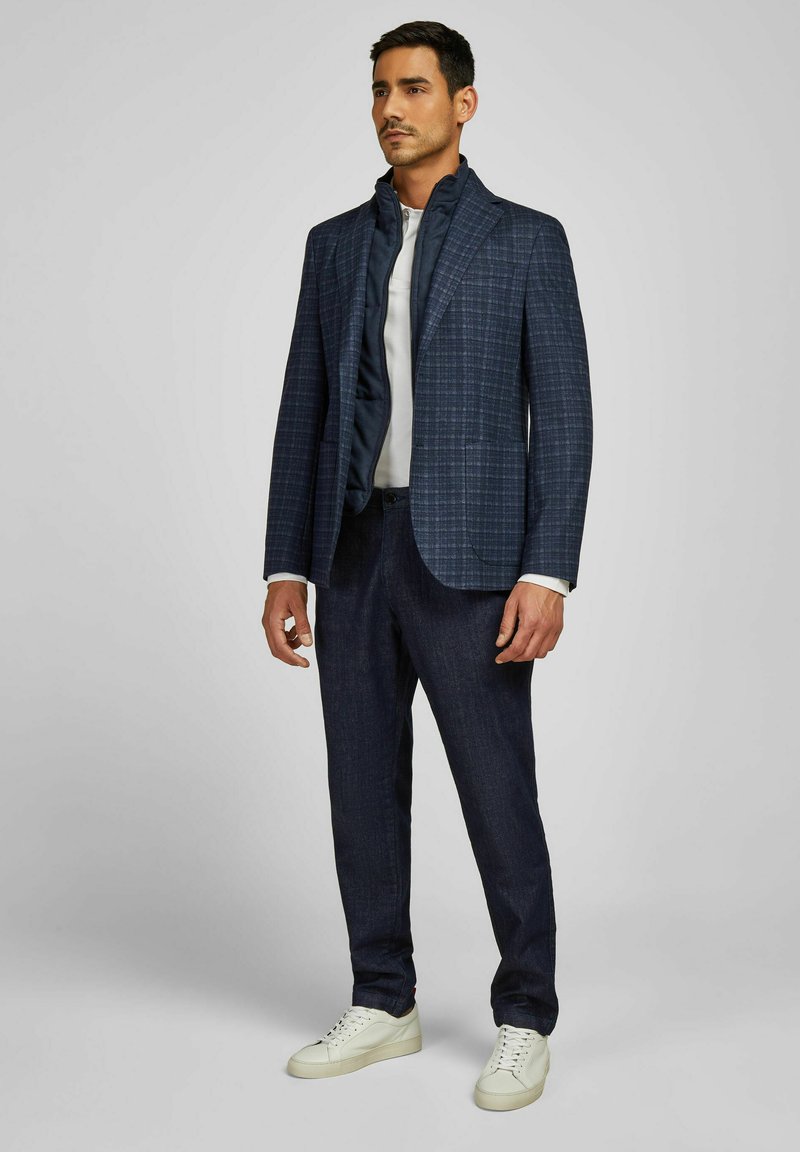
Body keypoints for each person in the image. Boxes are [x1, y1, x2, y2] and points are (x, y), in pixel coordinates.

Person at [261, 20, 593, 1111]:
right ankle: (383, 999)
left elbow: (565, 416)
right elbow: (304, 412)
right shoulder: (332, 246)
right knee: (360, 787)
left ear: (463, 102)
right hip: (354, 547)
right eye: (378, 91)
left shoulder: (524, 240)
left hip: (473, 559)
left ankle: (525, 1016)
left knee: (498, 791)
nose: (390, 109)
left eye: (411, 89)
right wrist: (285, 565)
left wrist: (547, 571)